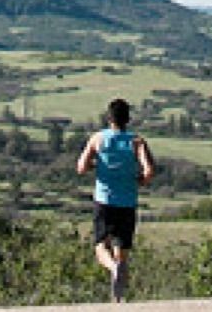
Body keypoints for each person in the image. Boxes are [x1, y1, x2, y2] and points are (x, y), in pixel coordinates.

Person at [76, 98, 155, 303]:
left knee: (101, 246)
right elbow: (149, 171)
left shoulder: (98, 139)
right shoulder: (137, 141)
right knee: (122, 250)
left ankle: (112, 268)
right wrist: (139, 181)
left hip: (104, 200)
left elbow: (81, 167)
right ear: (128, 119)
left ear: (109, 118)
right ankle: (117, 299)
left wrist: (97, 165)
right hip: (127, 202)